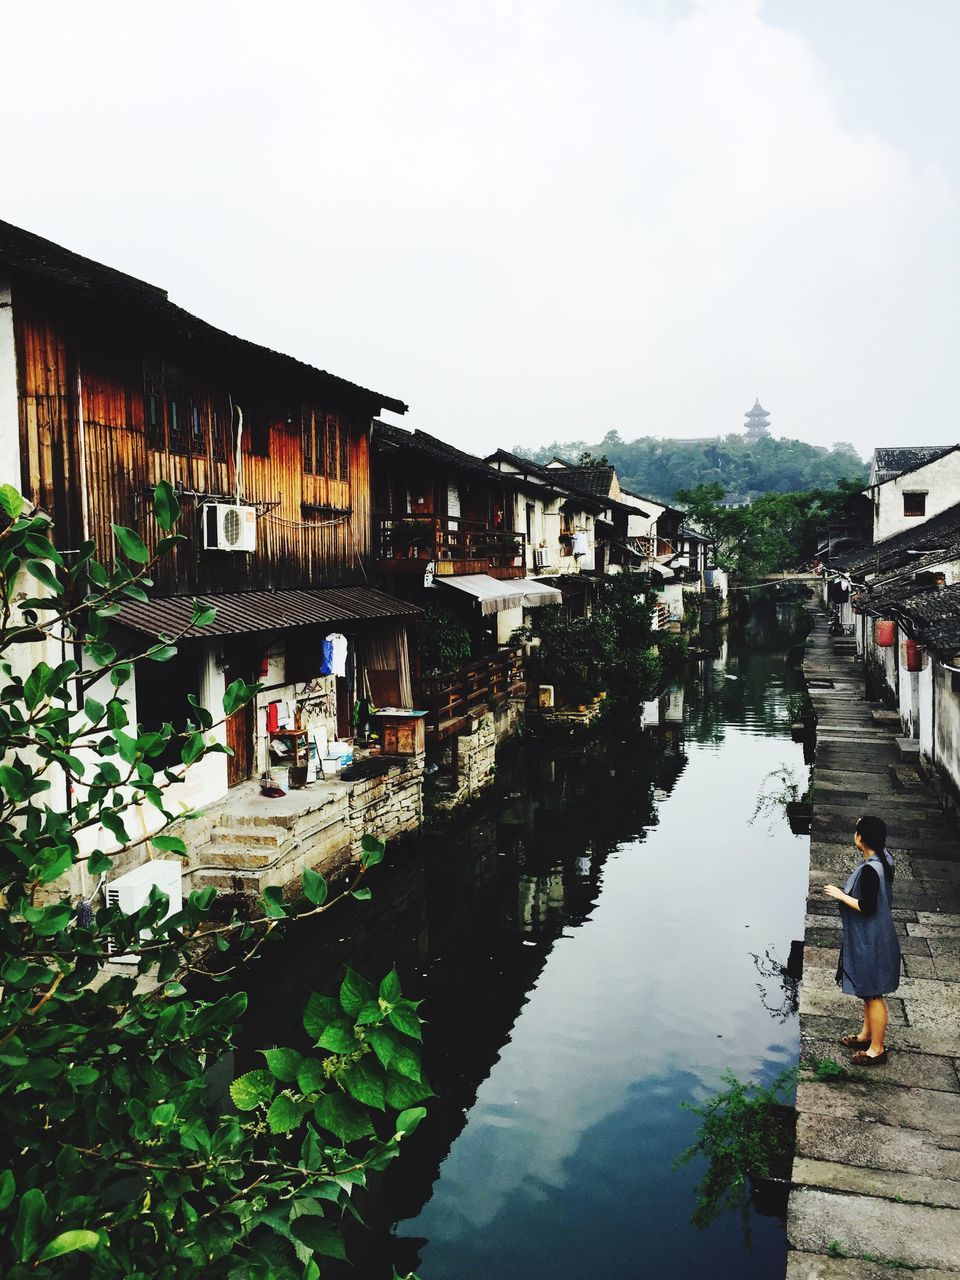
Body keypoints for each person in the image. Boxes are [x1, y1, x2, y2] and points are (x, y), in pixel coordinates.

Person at [823, 815, 900, 1065]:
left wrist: (840, 895)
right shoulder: (884, 859)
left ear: (861, 839)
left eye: (857, 831)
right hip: (877, 933)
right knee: (868, 991)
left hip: (871, 938)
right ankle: (867, 1035)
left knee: (874, 994)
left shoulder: (870, 870)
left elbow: (866, 907)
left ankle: (876, 1049)